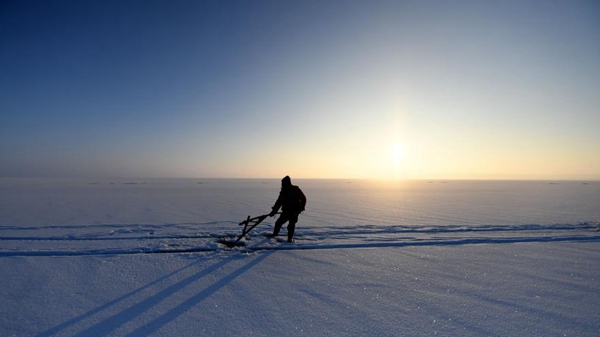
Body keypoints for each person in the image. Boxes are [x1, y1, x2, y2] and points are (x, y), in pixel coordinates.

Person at [268, 176, 307, 243]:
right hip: (286, 211)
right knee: (278, 223)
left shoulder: (296, 189)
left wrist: (300, 208)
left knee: (291, 225)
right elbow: (279, 202)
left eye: (283, 183)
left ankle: (290, 238)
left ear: (287, 183)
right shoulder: (283, 191)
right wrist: (274, 211)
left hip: (294, 212)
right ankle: (275, 234)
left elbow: (303, 199)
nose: (282, 184)